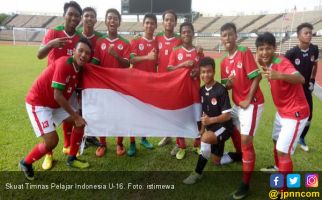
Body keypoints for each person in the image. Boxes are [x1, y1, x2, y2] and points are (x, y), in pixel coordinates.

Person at [19, 38, 92, 180]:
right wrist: (75, 115)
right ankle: (25, 163)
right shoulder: (65, 64)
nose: (83, 55)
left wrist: (77, 116)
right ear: (74, 52)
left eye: (87, 53)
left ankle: (72, 159)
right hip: (39, 102)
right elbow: (58, 95)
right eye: (80, 51)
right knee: (52, 142)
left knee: (80, 123)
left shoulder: (80, 68)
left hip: (55, 103)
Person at [256, 32, 309, 192]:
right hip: (282, 112)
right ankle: (277, 167)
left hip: (295, 113)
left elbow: (300, 79)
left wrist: (279, 75)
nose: (264, 52)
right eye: (261, 49)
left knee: (282, 150)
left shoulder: (281, 61)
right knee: (274, 140)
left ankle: (283, 191)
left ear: (275, 48)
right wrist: (260, 60)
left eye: (268, 49)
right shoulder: (265, 60)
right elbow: (261, 59)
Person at [220, 23, 264, 199]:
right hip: (237, 105)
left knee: (246, 140)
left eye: (230, 34)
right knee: (225, 122)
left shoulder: (244, 52)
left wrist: (247, 99)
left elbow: (257, 76)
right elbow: (227, 85)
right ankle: (240, 155)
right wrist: (229, 82)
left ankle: (245, 184)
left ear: (236, 36)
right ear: (221, 39)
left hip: (251, 103)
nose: (228, 38)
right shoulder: (223, 62)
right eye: (224, 35)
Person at [36, 1, 83, 170]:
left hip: (69, 85)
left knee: (69, 117)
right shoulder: (53, 32)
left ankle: (67, 146)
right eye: (70, 14)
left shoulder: (79, 38)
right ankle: (48, 154)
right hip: (51, 87)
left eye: (77, 16)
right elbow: (39, 55)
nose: (73, 18)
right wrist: (51, 44)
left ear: (80, 20)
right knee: (49, 123)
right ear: (64, 15)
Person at [183, 57, 233, 184]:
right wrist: (202, 128)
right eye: (203, 72)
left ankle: (197, 173)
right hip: (212, 127)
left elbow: (227, 116)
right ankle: (240, 156)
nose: (206, 74)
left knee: (205, 139)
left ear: (214, 71)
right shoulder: (201, 90)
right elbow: (205, 111)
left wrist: (210, 121)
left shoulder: (221, 90)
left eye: (209, 71)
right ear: (200, 73)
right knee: (217, 161)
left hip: (224, 127)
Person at [92, 8, 130, 157]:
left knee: (119, 115)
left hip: (120, 87)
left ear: (119, 22)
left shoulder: (124, 43)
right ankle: (102, 143)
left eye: (115, 18)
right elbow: (95, 63)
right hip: (103, 87)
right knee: (103, 115)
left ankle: (119, 143)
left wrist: (116, 56)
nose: (112, 21)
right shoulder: (100, 42)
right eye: (110, 18)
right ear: (106, 21)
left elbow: (127, 64)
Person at [167, 22, 204, 160]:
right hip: (180, 92)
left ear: (193, 34)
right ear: (181, 35)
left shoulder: (198, 52)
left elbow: (205, 69)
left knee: (197, 120)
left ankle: (196, 144)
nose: (186, 34)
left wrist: (197, 71)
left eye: (189, 32)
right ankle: (182, 147)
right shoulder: (176, 50)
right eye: (184, 32)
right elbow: (169, 69)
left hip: (195, 92)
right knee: (180, 119)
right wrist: (183, 64)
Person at [284, 23, 319, 152]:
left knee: (309, 116)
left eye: (310, 33)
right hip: (293, 89)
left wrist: (313, 80)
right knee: (291, 115)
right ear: (299, 36)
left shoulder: (314, 49)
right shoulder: (292, 52)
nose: (309, 35)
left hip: (306, 88)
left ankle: (301, 138)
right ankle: (288, 138)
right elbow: (280, 62)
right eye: (306, 33)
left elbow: (315, 66)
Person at [128, 13, 158, 156]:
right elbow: (131, 61)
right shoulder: (135, 41)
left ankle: (144, 138)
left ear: (156, 26)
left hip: (150, 84)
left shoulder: (157, 42)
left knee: (146, 112)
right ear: (143, 24)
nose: (149, 25)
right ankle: (132, 143)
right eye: (147, 23)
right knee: (133, 113)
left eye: (152, 23)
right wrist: (147, 57)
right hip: (136, 83)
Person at [155, 10, 181, 147]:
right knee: (164, 110)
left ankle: (179, 141)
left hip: (175, 81)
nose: (169, 22)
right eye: (167, 20)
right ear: (163, 22)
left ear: (175, 23)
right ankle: (167, 135)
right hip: (161, 80)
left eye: (171, 20)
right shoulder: (157, 37)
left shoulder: (179, 39)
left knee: (176, 110)